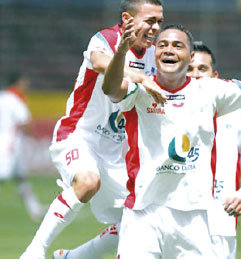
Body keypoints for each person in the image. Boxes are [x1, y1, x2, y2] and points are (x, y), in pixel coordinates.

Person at [102, 3, 241, 258]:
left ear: (191, 57)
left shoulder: (211, 91)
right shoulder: (140, 91)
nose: (169, 49)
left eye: (177, 45)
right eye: (163, 45)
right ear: (154, 53)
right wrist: (121, 52)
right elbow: (111, 88)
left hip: (195, 219)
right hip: (143, 214)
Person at [20, 0, 165, 259]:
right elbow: (100, 63)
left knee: (142, 217)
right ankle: (34, 251)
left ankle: (72, 257)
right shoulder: (106, 39)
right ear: (127, 18)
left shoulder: (155, 55)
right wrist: (142, 78)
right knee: (87, 182)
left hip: (112, 153)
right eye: (150, 20)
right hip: (77, 136)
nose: (155, 28)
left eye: (159, 22)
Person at [187, 41, 241, 258]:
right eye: (189, 68)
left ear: (215, 76)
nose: (195, 75)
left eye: (202, 69)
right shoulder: (163, 109)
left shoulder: (239, 115)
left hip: (220, 222)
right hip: (175, 220)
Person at [0, 74, 46, 222]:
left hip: (7, 142)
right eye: (24, 83)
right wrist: (34, 138)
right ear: (18, 83)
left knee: (21, 178)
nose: (26, 86)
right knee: (3, 176)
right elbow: (24, 122)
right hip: (10, 145)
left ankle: (34, 208)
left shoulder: (2, 98)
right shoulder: (16, 100)